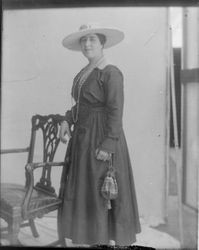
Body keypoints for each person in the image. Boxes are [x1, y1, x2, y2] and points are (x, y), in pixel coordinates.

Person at [59, 23, 141, 246]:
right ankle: (91, 238)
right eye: (84, 41)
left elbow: (116, 110)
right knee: (87, 189)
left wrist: (108, 144)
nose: (87, 44)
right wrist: (67, 119)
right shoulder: (86, 72)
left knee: (99, 190)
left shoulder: (111, 72)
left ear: (102, 43)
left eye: (92, 39)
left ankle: (105, 240)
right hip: (83, 138)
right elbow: (82, 105)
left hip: (101, 138)